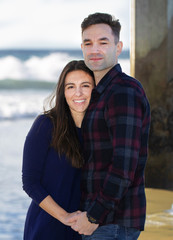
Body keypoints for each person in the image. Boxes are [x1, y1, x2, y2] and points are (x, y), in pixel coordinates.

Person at [69, 13, 151, 240]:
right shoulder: (96, 94)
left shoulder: (123, 91)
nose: (94, 49)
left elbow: (124, 165)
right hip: (101, 220)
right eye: (88, 43)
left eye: (103, 42)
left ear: (118, 47)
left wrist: (94, 216)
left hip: (112, 222)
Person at [22, 60, 94, 240]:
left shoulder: (99, 130)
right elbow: (30, 182)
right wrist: (64, 216)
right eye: (70, 87)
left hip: (85, 229)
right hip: (46, 226)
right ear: (63, 91)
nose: (78, 93)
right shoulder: (45, 125)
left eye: (85, 85)